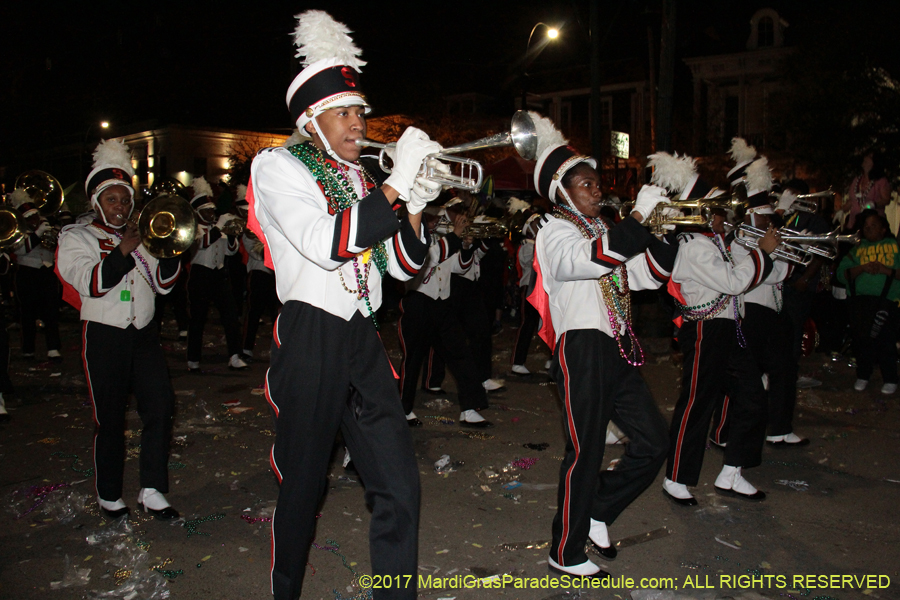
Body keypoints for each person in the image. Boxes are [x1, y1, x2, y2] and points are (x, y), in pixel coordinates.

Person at [248, 11, 442, 599]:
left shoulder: (361, 179)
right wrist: (394, 186)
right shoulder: (276, 165)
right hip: (311, 334)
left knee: (399, 484)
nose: (360, 122)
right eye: (346, 112)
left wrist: (415, 204)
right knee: (304, 487)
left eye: (361, 110)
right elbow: (327, 245)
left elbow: (404, 267)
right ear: (312, 119)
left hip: (362, 335)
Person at [530, 127, 675, 578]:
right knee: (586, 451)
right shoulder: (554, 229)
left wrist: (661, 233)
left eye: (597, 183)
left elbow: (647, 279)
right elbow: (585, 261)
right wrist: (636, 219)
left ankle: (598, 509)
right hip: (583, 346)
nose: (597, 190)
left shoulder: (605, 230)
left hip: (615, 345)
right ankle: (565, 550)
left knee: (654, 440)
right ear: (562, 191)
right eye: (587, 185)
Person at [56, 139, 181, 520]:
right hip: (105, 333)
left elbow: (164, 285)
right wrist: (124, 249)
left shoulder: (141, 236)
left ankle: (152, 488)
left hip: (143, 333)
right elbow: (91, 284)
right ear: (96, 202)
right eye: (112, 200)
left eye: (125, 200)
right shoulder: (76, 238)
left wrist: (171, 248)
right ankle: (109, 492)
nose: (121, 207)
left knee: (161, 407)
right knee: (109, 418)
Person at [663, 154, 781, 507]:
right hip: (705, 331)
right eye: (715, 209)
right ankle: (677, 478)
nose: (721, 215)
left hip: (728, 331)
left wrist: (753, 249)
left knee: (753, 398)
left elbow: (739, 276)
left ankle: (732, 472)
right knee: (697, 403)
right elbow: (733, 282)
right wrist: (762, 253)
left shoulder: (714, 242)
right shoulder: (692, 247)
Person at [398, 208, 493, 428]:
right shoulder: (410, 236)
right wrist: (455, 236)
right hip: (417, 303)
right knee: (412, 361)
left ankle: (470, 408)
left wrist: (466, 245)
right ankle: (402, 410)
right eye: (430, 217)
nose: (436, 220)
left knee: (461, 354)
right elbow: (430, 258)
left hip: (442, 304)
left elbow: (461, 268)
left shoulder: (445, 239)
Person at [185, 176, 248, 372]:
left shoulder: (218, 227)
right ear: (197, 212)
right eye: (206, 211)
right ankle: (193, 359)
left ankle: (235, 355)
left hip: (219, 275)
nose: (211, 213)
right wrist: (219, 228)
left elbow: (231, 251)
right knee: (197, 318)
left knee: (230, 316)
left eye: (212, 210)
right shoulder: (192, 230)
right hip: (200, 275)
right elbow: (201, 245)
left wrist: (230, 235)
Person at [837, 210, 900, 394]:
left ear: (883, 229)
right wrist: (862, 268)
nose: (869, 229)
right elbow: (842, 275)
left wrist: (884, 270)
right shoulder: (856, 249)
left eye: (873, 226)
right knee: (861, 340)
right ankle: (863, 374)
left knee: (885, 340)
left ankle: (890, 378)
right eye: (866, 227)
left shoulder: (895, 247)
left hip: (886, 302)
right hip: (860, 302)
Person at [9, 189, 62, 360]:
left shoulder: (44, 226)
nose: (34, 220)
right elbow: (21, 250)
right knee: (27, 313)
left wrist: (56, 237)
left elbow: (56, 248)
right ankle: (28, 349)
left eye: (36, 216)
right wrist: (38, 234)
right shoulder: (17, 231)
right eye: (30, 218)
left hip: (47, 272)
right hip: (27, 273)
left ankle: (53, 349)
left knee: (51, 311)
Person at [844, 151, 891, 230]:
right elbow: (852, 201)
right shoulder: (857, 180)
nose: (865, 158)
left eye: (869, 157)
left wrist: (873, 204)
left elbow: (886, 200)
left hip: (872, 227)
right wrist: (842, 210)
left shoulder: (880, 181)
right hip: (854, 224)